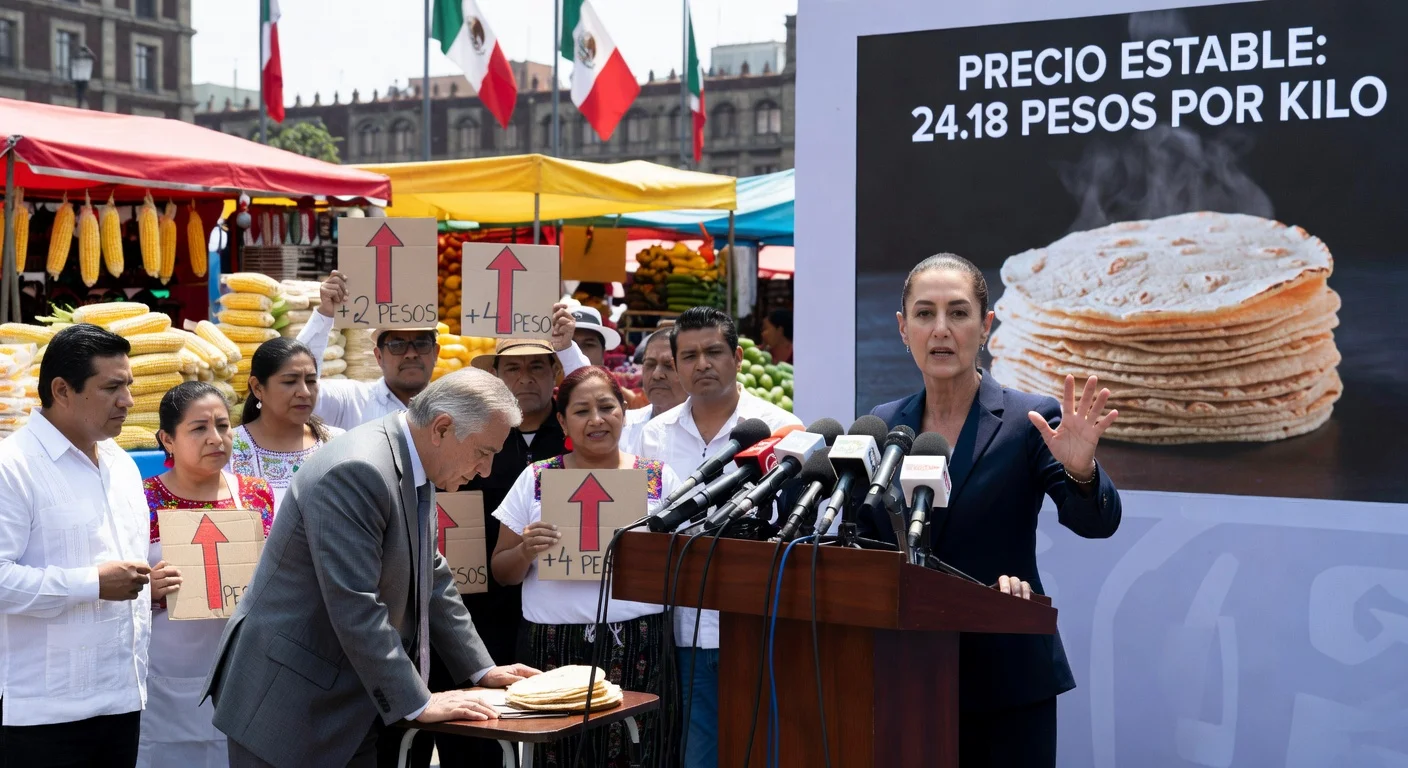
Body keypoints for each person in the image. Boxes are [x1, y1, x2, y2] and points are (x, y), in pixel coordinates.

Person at [203, 368, 541, 768]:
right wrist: (418, 701)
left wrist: (482, 669)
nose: (485, 470)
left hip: (343, 700)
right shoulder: (358, 470)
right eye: (484, 452)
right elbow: (355, 603)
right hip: (291, 705)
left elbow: (430, 575)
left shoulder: (414, 459)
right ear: (442, 428)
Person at [865, 253, 1122, 768]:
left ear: (985, 326)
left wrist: (1080, 472)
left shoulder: (1031, 420)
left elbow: (1096, 522)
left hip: (1008, 677)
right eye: (924, 314)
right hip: (905, 674)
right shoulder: (882, 425)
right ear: (902, 328)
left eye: (958, 314)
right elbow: (865, 543)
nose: (941, 330)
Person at [629, 307, 801, 768]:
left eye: (713, 352)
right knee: (697, 756)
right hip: (680, 631)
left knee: (763, 750)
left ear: (738, 357)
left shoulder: (783, 429)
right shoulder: (652, 437)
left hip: (757, 627)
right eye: (689, 356)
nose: (701, 364)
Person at [490, 367, 680, 767]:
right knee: (556, 757)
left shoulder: (659, 479)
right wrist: (526, 549)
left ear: (624, 411)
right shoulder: (536, 478)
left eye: (607, 407)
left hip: (639, 643)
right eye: (581, 411)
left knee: (638, 753)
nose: (597, 419)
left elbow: (682, 567)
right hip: (552, 648)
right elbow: (502, 571)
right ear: (562, 421)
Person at [0, 324, 166, 767]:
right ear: (62, 390)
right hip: (42, 714)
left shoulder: (120, 464)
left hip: (122, 700)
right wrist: (91, 583)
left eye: (128, 385)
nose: (128, 401)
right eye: (112, 387)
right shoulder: (13, 466)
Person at [426, 337, 583, 768]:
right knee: (478, 732)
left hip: (553, 613)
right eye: (513, 368)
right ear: (496, 376)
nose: (525, 377)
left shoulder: (578, 431)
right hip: (473, 605)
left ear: (555, 373)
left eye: (537, 366)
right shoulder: (473, 433)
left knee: (548, 728)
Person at [139, 382, 276, 768]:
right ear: (168, 439)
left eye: (223, 425)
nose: (215, 438)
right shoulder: (141, 500)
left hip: (244, 670)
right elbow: (122, 585)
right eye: (198, 428)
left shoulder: (256, 494)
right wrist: (146, 589)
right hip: (168, 673)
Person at [297, 272, 586, 431]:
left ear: (435, 353)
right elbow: (298, 382)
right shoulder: (351, 401)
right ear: (378, 356)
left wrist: (566, 348)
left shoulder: (462, 410)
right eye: (397, 344)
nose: (410, 353)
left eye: (420, 343)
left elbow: (587, 397)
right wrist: (324, 315)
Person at [228, 338, 343, 511]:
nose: (304, 392)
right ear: (257, 387)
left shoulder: (337, 442)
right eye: (290, 381)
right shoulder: (229, 449)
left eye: (311, 381)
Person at [620, 328, 688, 449]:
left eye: (669, 366)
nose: (656, 375)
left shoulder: (712, 432)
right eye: (650, 364)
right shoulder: (624, 427)